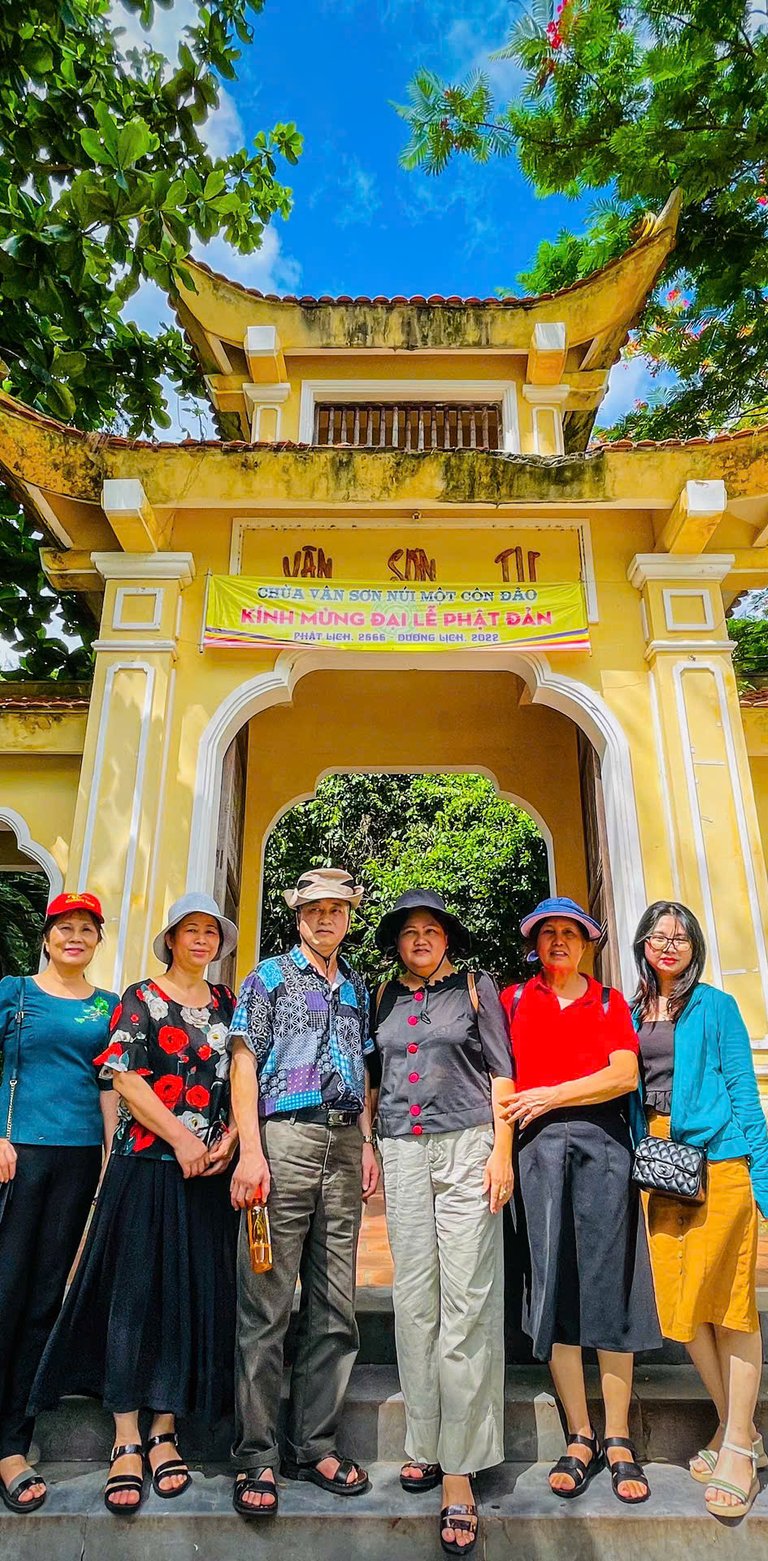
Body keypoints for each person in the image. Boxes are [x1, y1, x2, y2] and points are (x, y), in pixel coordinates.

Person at [29, 892, 239, 1515]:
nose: (201, 941)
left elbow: (241, 1078)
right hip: (146, 1166)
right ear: (170, 939)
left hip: (206, 1177)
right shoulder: (139, 998)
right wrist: (180, 1138)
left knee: (183, 1301)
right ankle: (125, 1437)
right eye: (190, 931)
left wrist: (225, 1140)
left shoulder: (228, 1004)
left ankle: (164, 1431)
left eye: (211, 933)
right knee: (133, 1298)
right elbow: (124, 1075)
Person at [227, 867, 379, 1519]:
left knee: (334, 1303)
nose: (325, 919)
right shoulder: (265, 978)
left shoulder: (358, 989)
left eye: (336, 909)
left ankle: (312, 1443)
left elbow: (366, 1069)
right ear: (298, 916)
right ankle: (256, 1453)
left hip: (344, 1143)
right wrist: (251, 1148)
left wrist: (368, 1140)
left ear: (349, 917)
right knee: (265, 1302)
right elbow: (243, 1059)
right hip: (282, 1139)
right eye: (314, 909)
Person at [500, 895, 661, 1505]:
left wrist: (552, 1096)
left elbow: (624, 1074)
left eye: (570, 933)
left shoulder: (607, 1000)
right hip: (538, 1158)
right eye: (548, 934)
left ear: (587, 943)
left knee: (610, 1282)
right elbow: (502, 1079)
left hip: (604, 1153)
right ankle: (581, 1433)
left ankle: (619, 1437)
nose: (559, 942)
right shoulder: (516, 1001)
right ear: (536, 944)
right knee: (558, 1285)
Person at [371, 888, 514, 1558]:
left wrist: (503, 1153)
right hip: (401, 1147)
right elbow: (377, 1075)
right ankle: (425, 1439)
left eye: (431, 929)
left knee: (465, 1299)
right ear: (397, 941)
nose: (421, 938)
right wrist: (373, 1143)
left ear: (447, 938)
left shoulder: (476, 986)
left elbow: (502, 1076)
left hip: (468, 1146)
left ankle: (459, 1465)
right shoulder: (385, 996)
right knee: (414, 1299)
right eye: (409, 931)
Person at [632, 900, 768, 1519]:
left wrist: (763, 1183)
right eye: (658, 935)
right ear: (642, 944)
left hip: (720, 1164)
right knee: (686, 1310)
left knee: (733, 1307)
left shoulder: (716, 1006)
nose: (668, 945)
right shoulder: (632, 1010)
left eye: (681, 937)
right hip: (662, 1171)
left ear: (694, 949)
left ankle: (738, 1442)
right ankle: (734, 1425)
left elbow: (743, 1090)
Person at [0, 891, 118, 1514]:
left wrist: (107, 1160)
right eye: (65, 928)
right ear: (47, 937)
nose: (76, 937)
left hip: (76, 1163)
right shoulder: (13, 992)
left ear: (98, 941)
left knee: (46, 1297)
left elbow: (109, 1085)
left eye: (87, 929)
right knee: (5, 1291)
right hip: (15, 1156)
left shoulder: (107, 1007)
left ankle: (13, 1443)